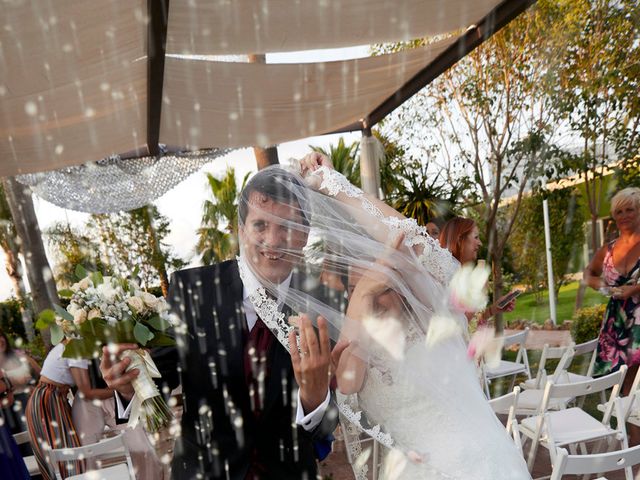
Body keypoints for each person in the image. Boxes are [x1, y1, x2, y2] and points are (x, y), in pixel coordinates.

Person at [100, 166, 346, 480]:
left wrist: (314, 398)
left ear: (305, 234)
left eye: (287, 226)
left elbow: (325, 430)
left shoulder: (324, 306)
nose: (273, 240)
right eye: (260, 225)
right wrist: (127, 386)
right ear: (241, 229)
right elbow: (159, 375)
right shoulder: (193, 290)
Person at [296, 153, 530, 479]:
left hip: (478, 460)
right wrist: (363, 297)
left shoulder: (429, 308)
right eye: (356, 272)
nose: (366, 273)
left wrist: (336, 187)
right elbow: (348, 385)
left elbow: (413, 240)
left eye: (374, 259)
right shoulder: (359, 318)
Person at [25, 341, 113, 480]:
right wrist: (117, 390)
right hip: (48, 402)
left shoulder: (68, 345)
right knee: (66, 459)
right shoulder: (76, 347)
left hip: (49, 398)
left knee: (64, 459)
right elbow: (87, 393)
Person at [584, 188, 640, 396]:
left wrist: (634, 288)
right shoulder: (607, 250)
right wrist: (598, 284)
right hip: (617, 322)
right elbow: (588, 273)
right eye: (619, 211)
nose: (624, 216)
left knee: (636, 382)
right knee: (625, 385)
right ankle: (629, 428)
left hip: (639, 322)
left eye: (629, 210)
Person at [440, 217, 515, 326]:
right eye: (476, 237)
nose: (480, 243)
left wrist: (493, 309)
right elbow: (458, 327)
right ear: (460, 240)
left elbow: (471, 323)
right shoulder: (444, 276)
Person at [0, 329, 40, 434]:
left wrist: (35, 386)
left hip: (34, 399)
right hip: (13, 407)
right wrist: (14, 382)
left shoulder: (18, 354)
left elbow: (40, 373)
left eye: (0, 336)